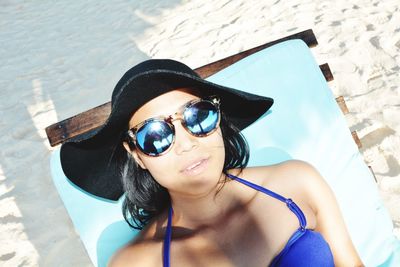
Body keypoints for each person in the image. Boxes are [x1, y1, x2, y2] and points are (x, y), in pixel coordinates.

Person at [60, 59, 364, 266]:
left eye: (198, 116)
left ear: (219, 119)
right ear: (136, 154)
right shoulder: (138, 262)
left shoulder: (297, 184)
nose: (187, 143)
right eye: (156, 134)